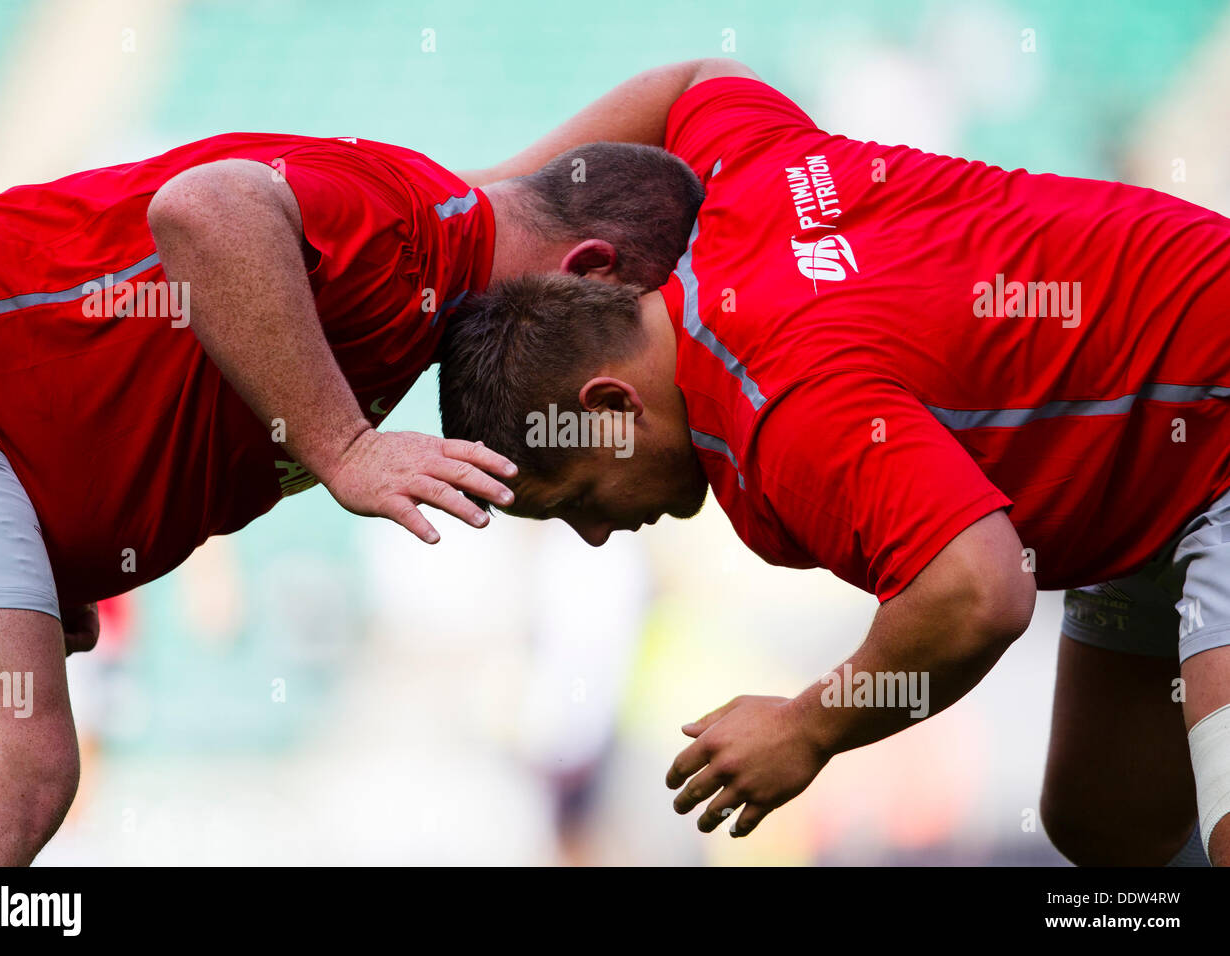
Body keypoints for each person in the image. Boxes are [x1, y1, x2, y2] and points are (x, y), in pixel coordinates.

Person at [441, 59, 1230, 865]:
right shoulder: (741, 179)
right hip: (1152, 444)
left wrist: (808, 727)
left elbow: (978, 592)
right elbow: (695, 87)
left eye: (575, 498)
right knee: (1109, 829)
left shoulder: (780, 411)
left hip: (1211, 419)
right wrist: (483, 200)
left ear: (611, 407)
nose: (597, 536)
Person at [0, 131, 703, 866]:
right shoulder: (413, 233)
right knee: (12, 766)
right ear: (591, 275)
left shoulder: (429, 285)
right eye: (635, 333)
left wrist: (53, 557)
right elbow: (204, 207)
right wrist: (344, 446)